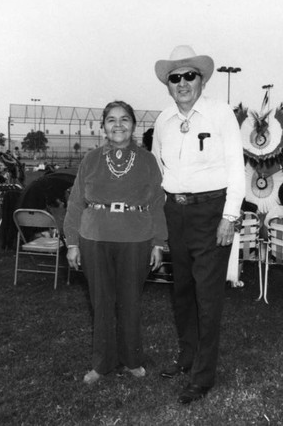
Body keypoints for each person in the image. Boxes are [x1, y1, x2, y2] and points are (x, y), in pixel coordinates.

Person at [152, 45, 245, 404]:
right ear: (168, 85)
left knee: (207, 296)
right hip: (175, 212)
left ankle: (203, 375)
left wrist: (230, 217)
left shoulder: (221, 114)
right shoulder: (163, 120)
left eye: (189, 75)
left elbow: (237, 168)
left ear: (201, 79)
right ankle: (188, 356)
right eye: (175, 78)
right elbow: (160, 170)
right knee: (182, 292)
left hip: (211, 211)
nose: (182, 83)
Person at [64, 101, 167, 385]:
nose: (118, 125)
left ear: (134, 125)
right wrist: (72, 242)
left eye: (124, 119)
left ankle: (132, 359)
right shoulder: (91, 159)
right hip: (94, 237)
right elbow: (75, 202)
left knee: (130, 301)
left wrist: (159, 242)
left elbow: (158, 203)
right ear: (103, 126)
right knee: (101, 302)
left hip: (136, 238)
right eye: (111, 120)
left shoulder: (147, 160)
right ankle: (102, 363)